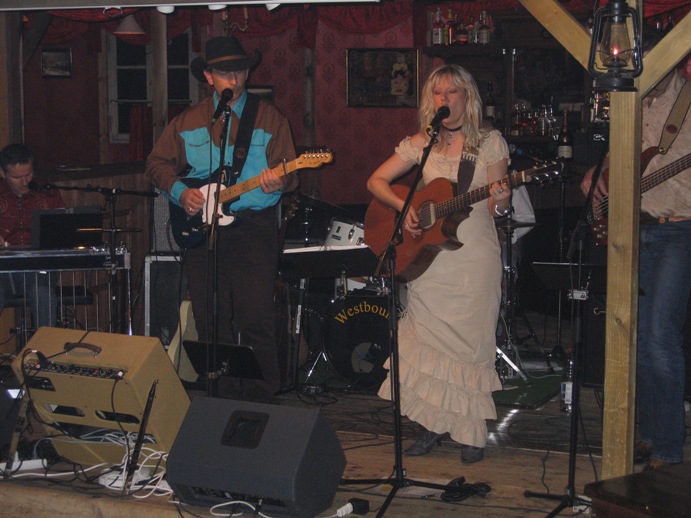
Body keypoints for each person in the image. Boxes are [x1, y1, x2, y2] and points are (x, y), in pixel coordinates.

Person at [367, 64, 511, 464]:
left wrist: (502, 198)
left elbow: (498, 210)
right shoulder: (422, 143)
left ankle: (471, 433)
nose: (444, 99)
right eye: (437, 92)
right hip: (429, 261)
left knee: (471, 346)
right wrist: (405, 207)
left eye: (452, 91)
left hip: (473, 260)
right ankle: (431, 424)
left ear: (468, 97)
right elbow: (376, 181)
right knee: (429, 343)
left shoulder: (490, 142)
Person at [146, 36, 297, 405]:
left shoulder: (269, 117)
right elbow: (156, 163)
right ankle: (222, 400)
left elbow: (290, 174)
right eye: (225, 72)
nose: (234, 78)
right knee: (210, 318)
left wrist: (281, 180)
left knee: (255, 317)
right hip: (205, 231)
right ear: (209, 77)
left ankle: (264, 399)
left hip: (254, 227)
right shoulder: (188, 121)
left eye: (239, 71)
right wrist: (181, 193)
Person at [580, 30, 691, 470]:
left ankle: (667, 447)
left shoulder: (688, 101)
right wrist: (598, 175)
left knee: (660, 337)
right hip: (631, 229)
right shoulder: (632, 101)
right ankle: (646, 433)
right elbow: (618, 156)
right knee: (636, 338)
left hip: (677, 230)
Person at [0, 143, 65, 334]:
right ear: (2, 173)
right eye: (17, 177)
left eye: (28, 175)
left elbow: (63, 231)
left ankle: (46, 347)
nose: (24, 182)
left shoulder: (47, 192)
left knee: (41, 292)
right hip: (3, 269)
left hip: (39, 267)